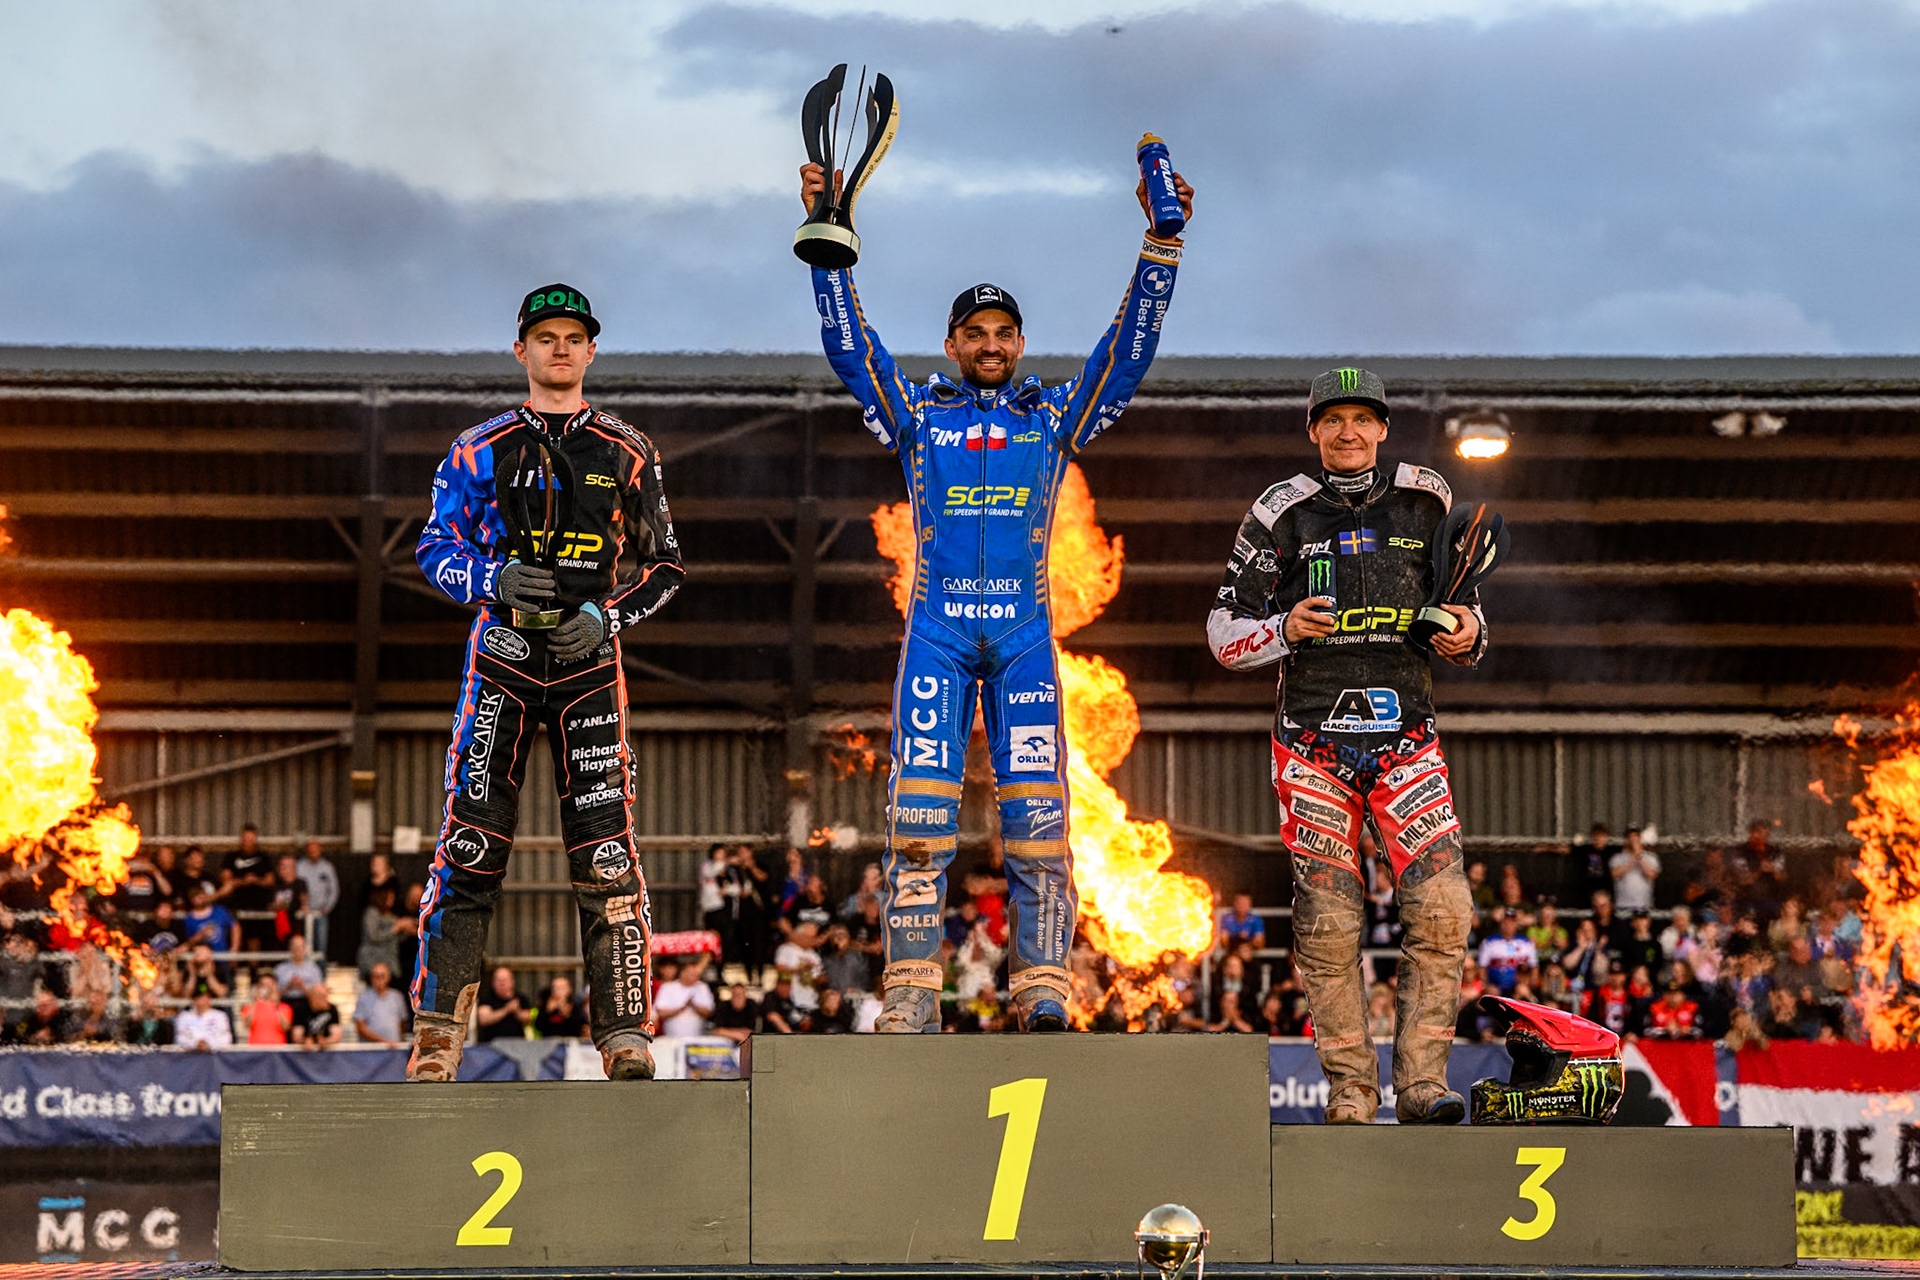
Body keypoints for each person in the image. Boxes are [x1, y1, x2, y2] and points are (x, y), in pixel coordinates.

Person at [799, 150, 1191, 1035]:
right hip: (937, 641)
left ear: (1019, 344)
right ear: (951, 344)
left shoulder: (1050, 419)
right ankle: (910, 994)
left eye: (1003, 332)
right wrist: (830, 244)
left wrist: (1161, 248)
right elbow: (850, 350)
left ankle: (1043, 987)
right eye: (973, 332)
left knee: (1041, 829)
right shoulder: (918, 415)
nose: (989, 344)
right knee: (919, 826)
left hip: (1023, 644)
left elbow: (1126, 356)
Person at [412, 283, 684, 1082]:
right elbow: (433, 546)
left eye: (572, 338)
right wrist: (490, 579)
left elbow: (667, 565)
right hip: (499, 660)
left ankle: (625, 1035)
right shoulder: (477, 447)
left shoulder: (628, 448)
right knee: (469, 847)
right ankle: (437, 1037)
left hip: (588, 666)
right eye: (545, 337)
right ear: (521, 350)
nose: (559, 349)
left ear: (591, 351)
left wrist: (609, 616)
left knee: (607, 854)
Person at [1207, 367, 1483, 1125]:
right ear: (1313, 431)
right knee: (1327, 923)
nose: (1349, 432)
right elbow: (1223, 631)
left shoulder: (1428, 498)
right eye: (1333, 420)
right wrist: (1282, 628)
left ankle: (1422, 1085)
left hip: (1407, 741)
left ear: (1383, 428)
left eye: (1362, 418)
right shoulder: (1280, 510)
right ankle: (1351, 1092)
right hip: (1312, 746)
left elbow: (1469, 615)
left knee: (1444, 908)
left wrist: (1465, 633)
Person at [295, 838, 340, 958]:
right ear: (307, 851)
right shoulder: (300, 866)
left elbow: (334, 889)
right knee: (302, 944)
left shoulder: (327, 867)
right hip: (303, 913)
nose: (313, 853)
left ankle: (321, 968)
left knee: (321, 945)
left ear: (320, 850)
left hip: (321, 913)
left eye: (315, 850)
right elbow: (295, 887)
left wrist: (328, 907)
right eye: (311, 850)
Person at [654, 953, 716, 1039]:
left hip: (697, 1038)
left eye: (696, 975)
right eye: (691, 974)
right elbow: (661, 1012)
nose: (695, 977)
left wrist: (693, 1005)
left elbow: (708, 1012)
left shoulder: (702, 987)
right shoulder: (668, 987)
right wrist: (681, 1008)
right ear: (683, 973)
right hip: (671, 1038)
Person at [352, 961, 409, 1047]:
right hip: (371, 1049)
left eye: (382, 976)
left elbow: (401, 1023)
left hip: (395, 1048)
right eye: (376, 976)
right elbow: (360, 1027)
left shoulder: (397, 997)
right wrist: (383, 1042)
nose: (379, 979)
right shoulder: (363, 998)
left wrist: (399, 1043)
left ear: (388, 978)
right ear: (371, 978)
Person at [474, 965, 532, 1043]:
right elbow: (483, 1020)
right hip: (492, 1044)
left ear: (512, 981)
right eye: (499, 980)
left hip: (517, 1043)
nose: (502, 983)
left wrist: (517, 1011)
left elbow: (528, 1018)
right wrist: (506, 1010)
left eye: (505, 980)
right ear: (493, 983)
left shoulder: (520, 999)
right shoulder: (487, 1000)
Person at [1611, 826, 1660, 913]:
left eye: (1636, 839)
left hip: (1643, 905)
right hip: (1622, 905)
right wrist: (1633, 856)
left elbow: (1651, 874)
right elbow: (1615, 874)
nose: (1633, 842)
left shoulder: (1651, 857)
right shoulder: (1617, 858)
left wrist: (1640, 857)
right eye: (1631, 839)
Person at [175, 983, 233, 1051]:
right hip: (190, 1054)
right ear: (194, 1000)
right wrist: (195, 1044)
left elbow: (226, 1038)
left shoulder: (220, 1016)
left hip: (215, 1054)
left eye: (205, 998)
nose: (202, 1001)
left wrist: (209, 1045)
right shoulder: (184, 1017)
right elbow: (180, 1039)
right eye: (199, 998)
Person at [240, 973, 294, 1045]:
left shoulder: (285, 1007)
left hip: (278, 1047)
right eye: (263, 984)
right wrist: (254, 1002)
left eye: (269, 984)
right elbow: (248, 1025)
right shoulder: (249, 1007)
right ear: (258, 987)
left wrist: (277, 1004)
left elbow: (285, 1027)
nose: (267, 987)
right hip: (256, 1047)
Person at [533, 975, 588, 1039]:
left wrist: (567, 1015)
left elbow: (580, 1028)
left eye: (562, 988)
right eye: (555, 988)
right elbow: (538, 1027)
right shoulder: (546, 1006)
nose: (558, 991)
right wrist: (547, 1011)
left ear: (569, 990)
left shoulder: (575, 1007)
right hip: (549, 1042)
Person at [297, 983, 343, 1049]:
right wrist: (305, 1041)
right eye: (323, 997)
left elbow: (336, 1035)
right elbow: (296, 1035)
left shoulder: (332, 1009)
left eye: (326, 996)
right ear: (313, 998)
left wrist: (327, 1041)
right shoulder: (301, 1009)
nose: (326, 1000)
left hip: (327, 1050)